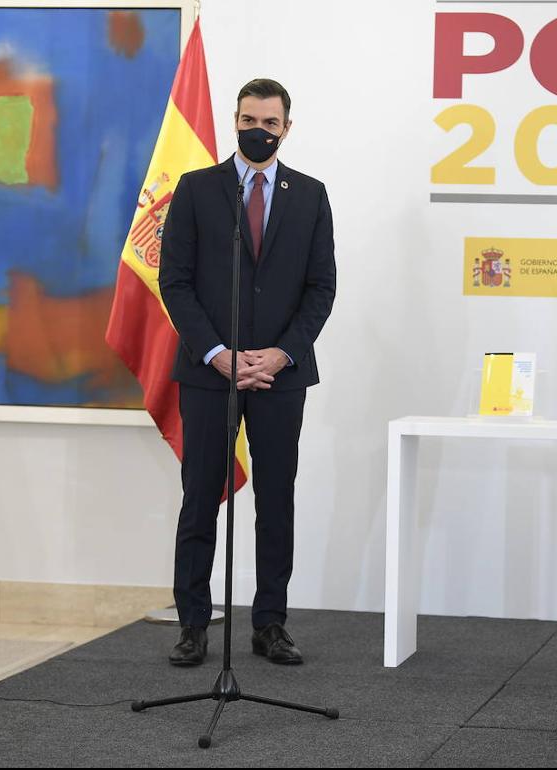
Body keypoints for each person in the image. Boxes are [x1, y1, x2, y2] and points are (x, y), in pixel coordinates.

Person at [159, 78, 336, 667]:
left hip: (281, 375)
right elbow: (175, 281)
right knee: (200, 496)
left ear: (287, 129)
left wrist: (281, 354)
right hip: (210, 373)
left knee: (276, 499)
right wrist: (218, 353)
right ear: (233, 121)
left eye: (269, 123)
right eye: (247, 120)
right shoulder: (196, 189)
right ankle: (192, 625)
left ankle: (270, 623)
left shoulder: (310, 195)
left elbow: (321, 287)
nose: (257, 131)